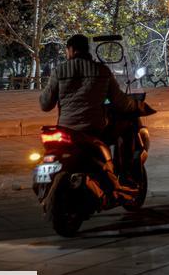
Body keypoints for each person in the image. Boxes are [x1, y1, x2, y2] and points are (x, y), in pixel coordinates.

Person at [40, 34, 143, 199]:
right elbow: (121, 102)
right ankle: (124, 176)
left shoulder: (59, 71)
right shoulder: (102, 71)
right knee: (127, 128)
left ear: (71, 50)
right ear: (87, 50)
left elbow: (45, 105)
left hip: (66, 130)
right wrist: (136, 105)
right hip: (94, 131)